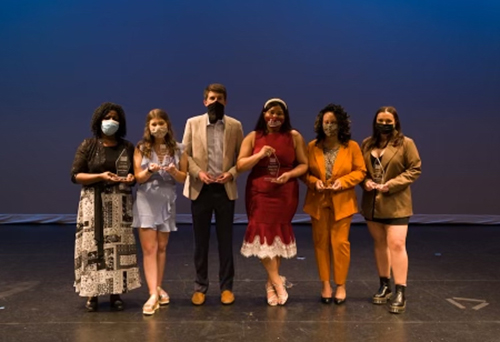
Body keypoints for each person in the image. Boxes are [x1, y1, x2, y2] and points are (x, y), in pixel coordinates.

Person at [70, 102, 141, 312]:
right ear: (98, 120)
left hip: (119, 204)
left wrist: (131, 178)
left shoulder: (127, 147)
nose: (112, 121)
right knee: (93, 248)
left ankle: (115, 293)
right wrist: (99, 176)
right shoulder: (88, 145)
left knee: (117, 249)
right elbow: (75, 175)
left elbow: (134, 174)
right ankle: (91, 293)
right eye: (108, 117)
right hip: (93, 203)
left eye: (116, 118)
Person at [237, 98, 308, 306]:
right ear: (264, 114)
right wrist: (259, 155)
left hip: (285, 192)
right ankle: (277, 281)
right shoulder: (253, 136)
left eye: (279, 113)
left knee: (276, 236)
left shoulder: (293, 136)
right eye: (270, 113)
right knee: (262, 236)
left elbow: (304, 164)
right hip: (259, 193)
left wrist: (289, 175)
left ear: (285, 117)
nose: (274, 117)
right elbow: (240, 166)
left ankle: (270, 284)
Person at [182, 83, 244, 306]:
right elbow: (185, 155)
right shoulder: (193, 123)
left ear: (225, 101)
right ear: (204, 101)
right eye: (211, 98)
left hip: (225, 190)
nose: (215, 102)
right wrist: (198, 173)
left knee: (225, 241)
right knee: (201, 241)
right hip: (201, 189)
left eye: (219, 98)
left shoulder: (235, 126)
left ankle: (226, 288)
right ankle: (200, 287)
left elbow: (242, 158)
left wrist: (232, 173)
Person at [302, 103, 366, 305]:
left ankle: (341, 285)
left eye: (333, 122)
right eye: (326, 122)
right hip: (318, 201)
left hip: (342, 201)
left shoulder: (352, 146)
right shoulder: (312, 146)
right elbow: (305, 172)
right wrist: (314, 183)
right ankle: (325, 285)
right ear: (320, 124)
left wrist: (343, 182)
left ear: (342, 125)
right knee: (320, 244)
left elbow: (360, 171)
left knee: (340, 244)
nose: (329, 126)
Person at [360, 106, 421, 314]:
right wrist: (366, 181)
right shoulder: (367, 144)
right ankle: (384, 284)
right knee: (379, 243)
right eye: (381, 120)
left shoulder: (406, 143)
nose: (384, 124)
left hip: (396, 202)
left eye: (388, 121)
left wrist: (392, 184)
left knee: (396, 243)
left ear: (395, 122)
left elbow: (414, 169)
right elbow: (360, 171)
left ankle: (400, 289)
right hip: (373, 204)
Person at [132, 109, 188, 315]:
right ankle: (152, 294)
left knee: (162, 247)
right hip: (146, 198)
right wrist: (150, 170)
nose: (157, 128)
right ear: (148, 127)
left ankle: (157, 286)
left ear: (168, 125)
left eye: (161, 123)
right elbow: (138, 177)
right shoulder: (141, 148)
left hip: (167, 199)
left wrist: (174, 171)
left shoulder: (180, 148)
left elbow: (183, 177)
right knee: (149, 248)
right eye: (153, 124)